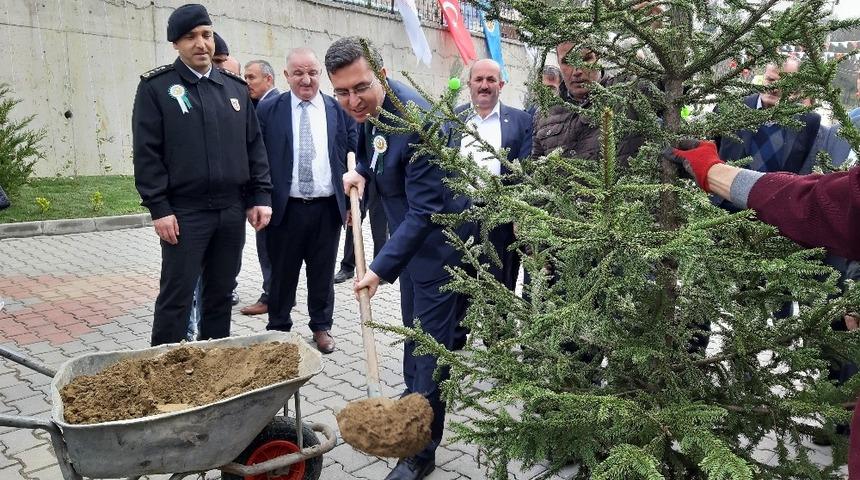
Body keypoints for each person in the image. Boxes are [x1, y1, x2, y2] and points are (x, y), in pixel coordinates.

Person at [664, 139, 860, 478]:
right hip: (752, 229)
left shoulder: (822, 133)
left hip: (803, 247)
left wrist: (713, 172)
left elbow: (823, 203)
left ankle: (835, 415)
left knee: (814, 323)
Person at [327, 36, 474, 480]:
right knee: (415, 339)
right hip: (411, 251)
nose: (353, 101)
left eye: (361, 87)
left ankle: (420, 451)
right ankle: (413, 406)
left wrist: (377, 269)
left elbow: (425, 211)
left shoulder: (418, 122)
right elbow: (376, 153)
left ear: (382, 75)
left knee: (429, 350)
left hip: (437, 253)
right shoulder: (373, 110)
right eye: (342, 92)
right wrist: (362, 172)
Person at [132, 3, 272, 346]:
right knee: (177, 297)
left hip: (230, 211)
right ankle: (164, 367)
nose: (201, 43)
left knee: (220, 295)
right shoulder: (157, 88)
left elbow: (254, 147)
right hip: (184, 214)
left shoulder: (235, 89)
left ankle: (214, 363)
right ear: (176, 44)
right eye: (190, 37)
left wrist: (260, 196)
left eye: (206, 35)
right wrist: (159, 208)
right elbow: (147, 154)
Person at [255, 47, 356, 354]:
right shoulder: (269, 110)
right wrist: (258, 200)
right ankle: (278, 327)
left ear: (320, 74)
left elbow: (353, 156)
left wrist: (352, 204)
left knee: (322, 273)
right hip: (285, 209)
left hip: (327, 208)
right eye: (298, 73)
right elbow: (257, 159)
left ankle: (321, 326)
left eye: (312, 72)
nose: (306, 79)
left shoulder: (337, 109)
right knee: (282, 273)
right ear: (286, 76)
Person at [452, 58, 532, 291]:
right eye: (478, 79)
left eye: (491, 80)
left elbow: (525, 172)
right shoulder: (452, 118)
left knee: (498, 292)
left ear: (501, 84)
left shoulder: (521, 121)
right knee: (459, 292)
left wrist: (518, 213)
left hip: (501, 224)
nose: (484, 85)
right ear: (469, 84)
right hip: (460, 218)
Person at [532, 43, 643, 163]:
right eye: (567, 61)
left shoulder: (628, 92)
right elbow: (537, 167)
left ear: (599, 57)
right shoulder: (544, 113)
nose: (577, 71)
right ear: (558, 63)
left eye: (585, 59)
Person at [716, 58, 821, 176]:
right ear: (763, 78)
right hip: (728, 185)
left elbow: (806, 171)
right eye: (771, 80)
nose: (774, 88)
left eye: (783, 83)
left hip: (780, 188)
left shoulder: (808, 121)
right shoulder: (730, 108)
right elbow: (710, 152)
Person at [240, 59, 282, 316]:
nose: (246, 83)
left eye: (251, 77)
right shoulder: (261, 104)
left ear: (269, 79)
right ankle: (277, 293)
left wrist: (259, 194)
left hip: (269, 192)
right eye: (245, 77)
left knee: (268, 247)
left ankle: (272, 296)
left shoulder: (271, 106)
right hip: (268, 191)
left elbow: (263, 154)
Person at [333, 179, 388, 283]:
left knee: (380, 227)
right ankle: (347, 268)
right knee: (353, 220)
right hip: (360, 177)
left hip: (380, 180)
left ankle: (380, 270)